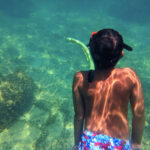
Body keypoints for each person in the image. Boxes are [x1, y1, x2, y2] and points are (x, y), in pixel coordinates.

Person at [72, 29, 145, 150]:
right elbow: (139, 114)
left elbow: (79, 116)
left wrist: (76, 144)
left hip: (90, 142)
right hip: (119, 144)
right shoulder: (130, 76)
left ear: (90, 52)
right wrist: (136, 143)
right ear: (121, 54)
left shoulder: (79, 78)